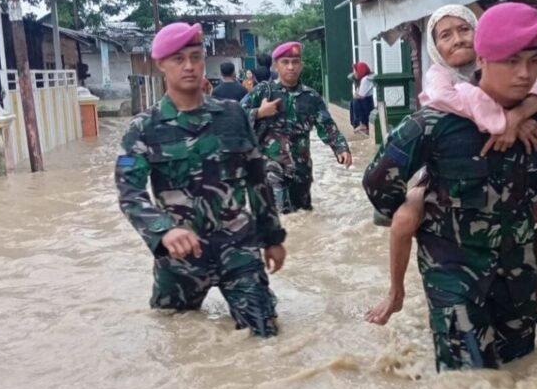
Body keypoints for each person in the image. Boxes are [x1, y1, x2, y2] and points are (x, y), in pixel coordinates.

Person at [363, 3, 537, 370]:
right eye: (511, 61)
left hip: (516, 271)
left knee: (521, 370)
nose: (524, 73)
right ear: (483, 58)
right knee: (466, 379)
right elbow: (378, 182)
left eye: (534, 60)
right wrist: (421, 209)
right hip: (453, 269)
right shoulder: (437, 121)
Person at [115, 22, 287, 338]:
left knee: (264, 335)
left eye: (196, 57)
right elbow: (130, 192)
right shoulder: (142, 129)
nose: (190, 66)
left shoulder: (233, 115)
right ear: (161, 64)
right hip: (180, 257)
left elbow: (257, 180)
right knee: (174, 337)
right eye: (179, 59)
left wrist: (272, 238)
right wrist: (163, 230)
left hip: (238, 247)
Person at [242, 41, 352, 214]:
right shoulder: (263, 91)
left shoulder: (311, 96)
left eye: (295, 62)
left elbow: (326, 125)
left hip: (301, 170)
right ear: (276, 66)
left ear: (301, 66)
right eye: (285, 62)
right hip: (271, 165)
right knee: (281, 215)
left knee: (302, 216)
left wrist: (340, 148)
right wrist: (259, 112)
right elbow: (236, 116)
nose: (291, 67)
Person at [349, 61, 375, 134]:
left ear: (361, 71)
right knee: (353, 101)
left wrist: (357, 94)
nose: (354, 73)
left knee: (355, 101)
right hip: (366, 104)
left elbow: (360, 96)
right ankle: (357, 124)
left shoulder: (365, 79)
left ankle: (362, 124)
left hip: (368, 106)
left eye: (355, 71)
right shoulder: (362, 79)